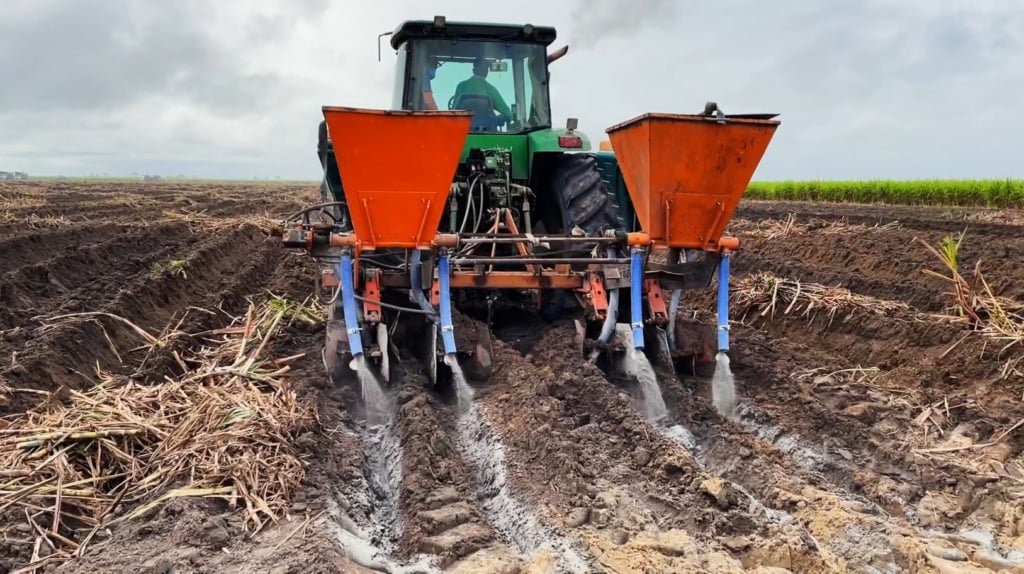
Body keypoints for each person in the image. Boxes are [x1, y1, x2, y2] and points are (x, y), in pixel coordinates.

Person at [452, 57, 512, 124]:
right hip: (487, 131)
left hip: (463, 130)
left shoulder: (461, 86)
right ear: (487, 71)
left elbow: (453, 111)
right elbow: (507, 113)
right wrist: (506, 117)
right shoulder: (490, 89)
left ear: (473, 70)